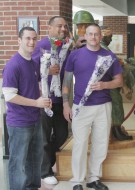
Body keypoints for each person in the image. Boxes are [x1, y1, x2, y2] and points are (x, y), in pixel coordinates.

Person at [62, 24, 123, 190]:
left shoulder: (109, 56)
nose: (93, 37)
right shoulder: (75, 55)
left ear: (100, 36)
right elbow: (67, 82)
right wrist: (66, 104)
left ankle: (93, 178)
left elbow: (119, 81)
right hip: (80, 106)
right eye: (90, 34)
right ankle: (77, 180)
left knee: (100, 142)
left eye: (96, 34)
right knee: (80, 144)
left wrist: (104, 85)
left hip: (103, 106)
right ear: (85, 35)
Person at [2, 27, 52, 189]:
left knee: (34, 159)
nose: (31, 42)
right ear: (19, 40)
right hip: (19, 123)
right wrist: (36, 103)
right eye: (27, 38)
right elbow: (9, 96)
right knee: (18, 162)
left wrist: (42, 99)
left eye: (34, 39)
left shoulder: (33, 63)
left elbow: (32, 87)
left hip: (35, 119)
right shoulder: (13, 65)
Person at [31, 16, 71, 185]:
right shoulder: (41, 46)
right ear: (49, 28)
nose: (63, 29)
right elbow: (31, 71)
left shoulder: (67, 46)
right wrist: (47, 72)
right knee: (45, 137)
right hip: (45, 99)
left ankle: (47, 160)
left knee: (63, 134)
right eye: (59, 26)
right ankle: (45, 171)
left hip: (60, 98)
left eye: (65, 26)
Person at [100, 26, 133, 140]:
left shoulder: (103, 47)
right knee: (117, 103)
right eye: (110, 37)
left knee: (116, 104)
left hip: (111, 80)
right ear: (104, 37)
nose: (111, 40)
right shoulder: (102, 46)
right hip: (108, 82)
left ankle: (117, 129)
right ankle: (116, 130)